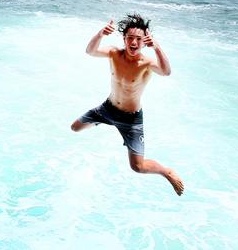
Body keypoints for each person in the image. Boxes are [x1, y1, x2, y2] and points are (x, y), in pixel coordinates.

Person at [70, 14, 184, 195]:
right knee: (75, 128)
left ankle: (166, 171)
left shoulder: (146, 63)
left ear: (144, 42)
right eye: (130, 38)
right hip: (106, 109)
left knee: (137, 167)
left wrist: (157, 47)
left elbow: (166, 72)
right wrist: (100, 34)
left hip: (131, 120)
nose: (133, 42)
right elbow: (90, 51)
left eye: (138, 39)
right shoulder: (114, 53)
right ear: (124, 39)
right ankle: (101, 121)